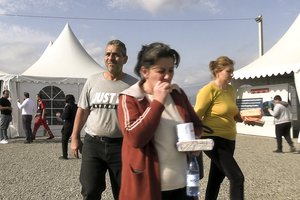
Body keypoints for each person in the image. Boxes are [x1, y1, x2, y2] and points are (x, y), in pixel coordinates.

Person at [117, 42, 203, 200]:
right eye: (161, 71)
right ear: (145, 72)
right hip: (147, 187)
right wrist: (157, 102)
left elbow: (197, 124)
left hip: (183, 185)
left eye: (171, 70)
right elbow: (135, 138)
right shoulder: (130, 97)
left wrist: (194, 140)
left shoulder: (177, 93)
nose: (168, 76)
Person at [70, 40, 137, 200]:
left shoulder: (134, 85)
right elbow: (83, 110)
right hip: (93, 144)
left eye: (116, 54)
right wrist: (74, 137)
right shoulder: (92, 81)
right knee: (90, 190)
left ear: (125, 59)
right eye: (108, 54)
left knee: (124, 193)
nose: (111, 58)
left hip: (122, 146)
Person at [194, 56, 244, 200]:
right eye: (229, 71)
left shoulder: (231, 90)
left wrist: (245, 118)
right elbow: (196, 116)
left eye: (232, 71)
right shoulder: (208, 90)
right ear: (218, 71)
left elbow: (233, 114)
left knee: (216, 178)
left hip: (230, 139)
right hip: (213, 139)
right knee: (237, 178)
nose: (232, 74)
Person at [58, 94, 78, 160]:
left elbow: (65, 116)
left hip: (68, 126)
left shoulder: (68, 107)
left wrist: (59, 115)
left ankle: (65, 156)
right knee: (76, 140)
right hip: (75, 125)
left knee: (64, 141)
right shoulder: (76, 106)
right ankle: (76, 154)